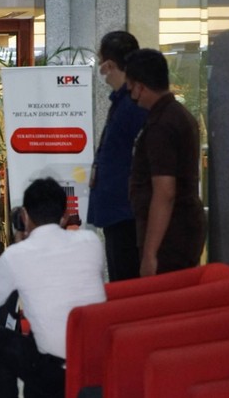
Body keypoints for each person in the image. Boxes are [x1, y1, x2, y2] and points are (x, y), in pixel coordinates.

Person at [0, 178, 106, 398]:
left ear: (25, 216)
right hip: (97, 364)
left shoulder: (17, 255)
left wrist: (19, 244)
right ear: (65, 215)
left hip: (53, 372)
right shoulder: (91, 241)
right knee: (34, 342)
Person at [125, 48, 207, 276]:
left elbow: (165, 192)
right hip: (182, 228)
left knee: (166, 302)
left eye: (132, 88)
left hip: (171, 235)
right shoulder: (178, 114)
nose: (132, 95)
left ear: (141, 86)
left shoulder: (161, 125)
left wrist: (151, 253)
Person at [87, 31, 148, 281]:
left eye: (101, 63)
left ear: (110, 65)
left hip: (126, 212)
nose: (101, 70)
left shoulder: (133, 104)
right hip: (116, 211)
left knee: (126, 281)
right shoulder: (120, 102)